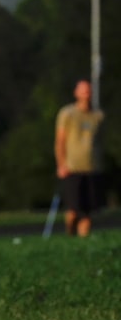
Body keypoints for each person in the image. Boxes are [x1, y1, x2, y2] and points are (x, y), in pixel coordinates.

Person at [55, 79, 105, 236]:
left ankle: (83, 244)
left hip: (92, 167)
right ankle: (70, 235)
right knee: (73, 210)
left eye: (88, 89)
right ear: (76, 93)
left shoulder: (98, 116)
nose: (86, 93)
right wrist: (61, 164)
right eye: (82, 90)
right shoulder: (67, 113)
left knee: (88, 211)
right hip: (73, 167)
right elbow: (60, 141)